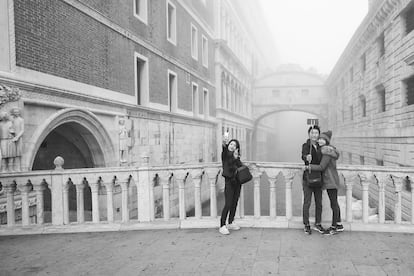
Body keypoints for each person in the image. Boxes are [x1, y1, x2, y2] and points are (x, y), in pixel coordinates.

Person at [304, 130, 344, 235]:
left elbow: (322, 167)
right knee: (334, 203)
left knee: (333, 204)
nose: (320, 141)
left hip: (330, 180)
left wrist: (309, 167)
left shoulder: (326, 151)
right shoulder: (328, 150)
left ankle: (334, 226)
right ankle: (339, 224)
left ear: (326, 141)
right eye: (320, 139)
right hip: (332, 179)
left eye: (322, 139)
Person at [301, 125, 324, 235]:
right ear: (309, 134)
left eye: (316, 133)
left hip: (319, 177)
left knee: (319, 202)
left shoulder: (321, 146)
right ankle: (306, 224)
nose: (314, 135)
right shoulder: (306, 145)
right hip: (308, 178)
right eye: (312, 133)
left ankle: (318, 223)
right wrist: (307, 157)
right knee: (307, 202)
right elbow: (303, 155)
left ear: (318, 134)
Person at [219, 131, 242, 235]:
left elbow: (240, 167)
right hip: (229, 182)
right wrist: (225, 141)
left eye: (235, 145)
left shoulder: (236, 156)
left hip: (237, 182)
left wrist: (237, 158)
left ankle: (231, 222)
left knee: (234, 203)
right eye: (231, 144)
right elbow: (224, 148)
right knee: (228, 204)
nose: (232, 146)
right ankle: (222, 225)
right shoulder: (225, 155)